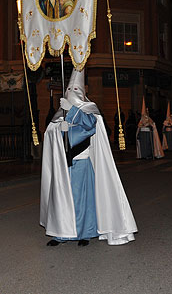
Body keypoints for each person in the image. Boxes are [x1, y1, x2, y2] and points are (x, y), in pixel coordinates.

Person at [40, 69, 137, 246]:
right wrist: (58, 129)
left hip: (82, 161)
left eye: (75, 91)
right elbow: (50, 133)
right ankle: (62, 234)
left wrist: (71, 112)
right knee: (61, 199)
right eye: (69, 91)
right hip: (62, 162)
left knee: (82, 199)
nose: (72, 95)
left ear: (83, 92)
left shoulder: (89, 109)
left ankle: (85, 232)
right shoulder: (61, 111)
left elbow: (90, 126)